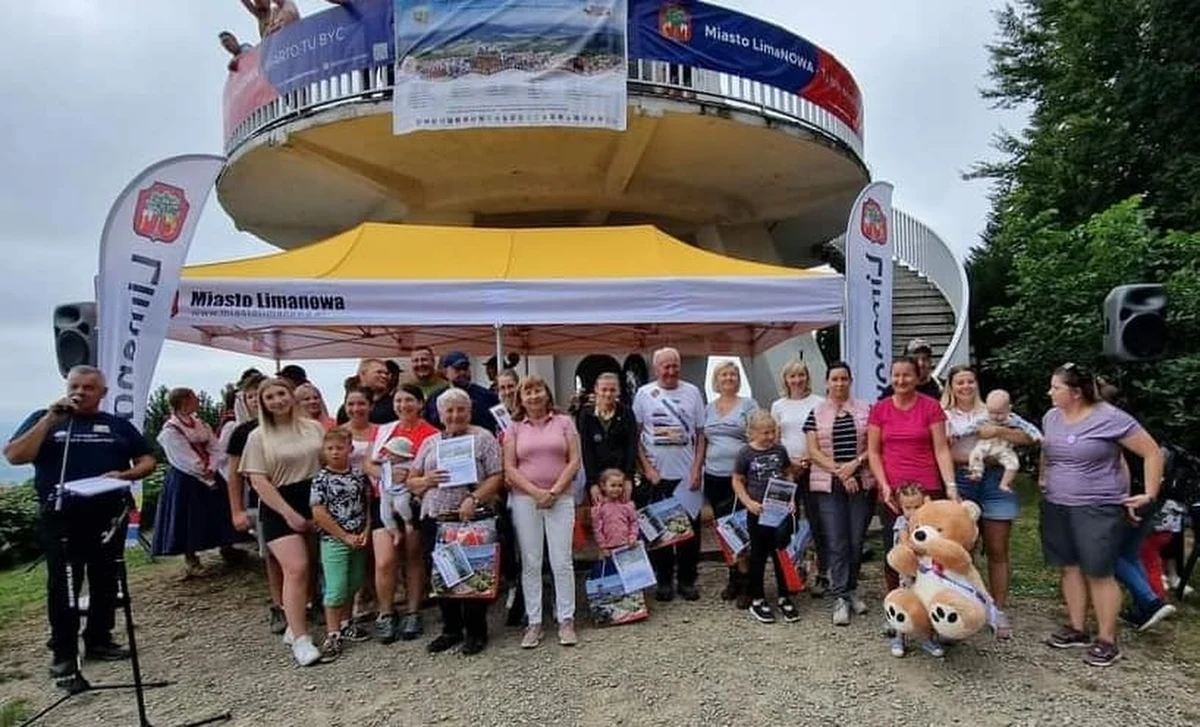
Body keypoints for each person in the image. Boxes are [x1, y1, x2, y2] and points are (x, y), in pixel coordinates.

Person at [4, 366, 156, 679]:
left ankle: (99, 639)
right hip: (62, 516)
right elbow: (15, 456)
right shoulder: (44, 419)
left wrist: (125, 475)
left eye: (89, 388)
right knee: (64, 584)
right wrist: (49, 421)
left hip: (107, 514)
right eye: (75, 386)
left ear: (103, 393)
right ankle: (63, 650)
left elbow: (147, 460)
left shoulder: (116, 425)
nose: (80, 392)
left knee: (105, 579)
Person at [1039, 363, 1164, 667]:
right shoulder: (1051, 417)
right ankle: (1077, 628)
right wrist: (1044, 477)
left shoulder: (1111, 418)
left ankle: (1107, 640)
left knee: (1099, 571)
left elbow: (1152, 452)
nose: (1050, 392)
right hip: (1057, 502)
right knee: (1069, 567)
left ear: (1076, 392)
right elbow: (1048, 452)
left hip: (1097, 505)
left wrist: (1149, 493)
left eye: (1056, 387)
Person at [941, 365, 1039, 637]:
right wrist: (981, 459)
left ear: (976, 384)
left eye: (970, 381)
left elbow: (1028, 436)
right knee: (964, 547)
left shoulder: (993, 409)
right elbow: (943, 452)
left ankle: (998, 609)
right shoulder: (944, 414)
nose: (966, 386)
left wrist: (997, 432)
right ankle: (967, 603)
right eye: (960, 382)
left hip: (996, 479)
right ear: (951, 386)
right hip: (964, 477)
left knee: (998, 548)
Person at [409, 388, 504, 655]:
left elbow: (497, 476)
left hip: (471, 517)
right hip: (436, 517)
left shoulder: (483, 438)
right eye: (449, 410)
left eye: (461, 409)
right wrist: (426, 480)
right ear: (440, 415)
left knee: (473, 572)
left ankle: (476, 631)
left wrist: (474, 498)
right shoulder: (430, 442)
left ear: (469, 411)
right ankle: (451, 629)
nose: (455, 415)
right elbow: (411, 480)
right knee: (443, 573)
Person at [239, 377, 325, 666]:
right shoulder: (257, 437)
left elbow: (326, 462)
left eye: (281, 394)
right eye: (270, 397)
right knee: (296, 567)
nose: (277, 401)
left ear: (291, 396)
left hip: (315, 499)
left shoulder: (313, 428)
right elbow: (258, 481)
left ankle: (295, 620)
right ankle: (301, 639)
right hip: (279, 505)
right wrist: (289, 514)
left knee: (312, 567)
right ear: (262, 404)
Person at [504, 375, 583, 648]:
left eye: (538, 390)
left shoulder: (564, 422)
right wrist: (535, 492)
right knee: (531, 561)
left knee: (562, 560)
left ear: (547, 393)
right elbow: (510, 467)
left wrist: (555, 491)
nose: (534, 396)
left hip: (560, 497)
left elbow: (574, 460)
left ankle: (566, 619)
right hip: (526, 499)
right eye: (528, 392)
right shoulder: (514, 427)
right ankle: (534, 621)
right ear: (521, 399)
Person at [867, 357, 957, 592]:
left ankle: (931, 597)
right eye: (896, 375)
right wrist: (884, 485)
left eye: (906, 375)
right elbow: (873, 452)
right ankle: (897, 600)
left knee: (930, 547)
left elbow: (941, 449)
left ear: (917, 378)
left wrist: (951, 486)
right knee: (895, 549)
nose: (901, 380)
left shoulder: (931, 406)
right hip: (893, 491)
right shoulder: (880, 409)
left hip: (927, 489)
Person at [364, 384, 440, 643]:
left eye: (409, 400)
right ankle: (386, 613)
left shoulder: (432, 434)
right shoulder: (384, 430)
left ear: (420, 403)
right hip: (384, 500)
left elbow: (434, 470)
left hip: (415, 501)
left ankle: (413, 611)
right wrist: (387, 475)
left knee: (413, 557)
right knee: (385, 560)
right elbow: (368, 464)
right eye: (398, 400)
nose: (403, 405)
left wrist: (411, 479)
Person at [632, 347, 706, 602]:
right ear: (656, 368)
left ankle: (687, 580)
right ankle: (664, 580)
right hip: (657, 475)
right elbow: (636, 436)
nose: (671, 371)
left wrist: (696, 468)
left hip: (686, 475)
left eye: (675, 365)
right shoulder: (644, 394)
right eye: (666, 366)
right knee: (659, 531)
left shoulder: (692, 392)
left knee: (690, 532)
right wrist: (647, 469)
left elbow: (701, 435)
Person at [804, 362, 874, 626]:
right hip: (829, 484)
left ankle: (851, 588)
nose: (839, 383)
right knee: (836, 540)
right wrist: (841, 472)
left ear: (850, 381)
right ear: (827, 382)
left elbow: (874, 445)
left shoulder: (867, 410)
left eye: (844, 378)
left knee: (856, 539)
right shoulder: (816, 412)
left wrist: (855, 464)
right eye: (834, 379)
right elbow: (813, 451)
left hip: (861, 481)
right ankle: (840, 596)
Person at [151, 387, 238, 577]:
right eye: (194, 398)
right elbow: (181, 456)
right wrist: (201, 469)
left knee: (220, 510)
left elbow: (215, 447)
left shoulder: (200, 424)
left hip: (210, 471)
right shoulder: (170, 430)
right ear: (184, 402)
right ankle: (191, 559)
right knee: (188, 517)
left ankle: (227, 547)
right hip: (186, 478)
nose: (198, 401)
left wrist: (212, 466)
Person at [224, 372, 286, 635]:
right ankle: (279, 605)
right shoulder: (242, 432)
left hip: (297, 496)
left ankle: (307, 600)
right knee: (272, 556)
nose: (255, 401)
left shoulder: (293, 425)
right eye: (251, 397)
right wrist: (236, 510)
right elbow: (234, 475)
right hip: (263, 501)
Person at [310, 429, 372, 661]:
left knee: (353, 581)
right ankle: (332, 633)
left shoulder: (358, 476)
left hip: (358, 537)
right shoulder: (321, 479)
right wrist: (343, 535)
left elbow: (366, 504)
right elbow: (318, 512)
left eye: (340, 448)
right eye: (330, 449)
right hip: (333, 540)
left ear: (350, 449)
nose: (335, 453)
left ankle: (346, 623)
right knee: (335, 587)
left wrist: (365, 530)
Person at [732, 410, 798, 624]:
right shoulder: (745, 453)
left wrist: (791, 496)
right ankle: (757, 597)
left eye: (772, 432)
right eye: (765, 433)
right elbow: (737, 480)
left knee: (781, 553)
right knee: (758, 555)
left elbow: (788, 472)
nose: (770, 437)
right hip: (758, 512)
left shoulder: (780, 450)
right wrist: (748, 503)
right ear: (752, 433)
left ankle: (784, 595)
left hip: (780, 511)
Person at [703, 361, 758, 602]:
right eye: (724, 374)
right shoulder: (708, 408)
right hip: (714, 476)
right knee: (724, 530)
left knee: (741, 529)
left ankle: (747, 582)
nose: (728, 378)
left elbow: (757, 437)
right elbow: (703, 440)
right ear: (716, 379)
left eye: (733, 374)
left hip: (740, 477)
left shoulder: (749, 405)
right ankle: (733, 575)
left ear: (738, 379)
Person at [770, 359, 825, 594]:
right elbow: (774, 439)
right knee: (785, 521)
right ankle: (789, 571)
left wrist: (809, 458)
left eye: (801, 375)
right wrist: (789, 464)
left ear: (807, 377)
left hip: (814, 467)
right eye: (792, 376)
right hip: (786, 471)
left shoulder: (819, 402)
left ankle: (821, 572)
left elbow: (822, 436)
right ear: (785, 379)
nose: (797, 380)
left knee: (816, 520)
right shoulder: (778, 405)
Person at [887, 484, 945, 658]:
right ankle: (899, 637)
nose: (912, 512)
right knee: (904, 602)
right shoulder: (902, 523)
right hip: (909, 572)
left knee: (927, 603)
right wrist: (926, 548)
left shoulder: (930, 523)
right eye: (908, 507)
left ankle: (927, 639)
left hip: (929, 573)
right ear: (900, 506)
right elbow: (906, 543)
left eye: (917, 507)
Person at [578, 372, 638, 500]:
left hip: (621, 480)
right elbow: (586, 449)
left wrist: (628, 478)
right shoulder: (586, 415)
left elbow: (632, 447)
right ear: (596, 389)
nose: (608, 394)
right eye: (604, 390)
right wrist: (592, 483)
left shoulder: (627, 413)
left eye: (612, 390)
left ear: (618, 391)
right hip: (598, 478)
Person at [966, 390, 1028, 493]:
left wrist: (1036, 435)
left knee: (1013, 463)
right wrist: (962, 432)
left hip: (1004, 448)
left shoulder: (1013, 420)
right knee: (975, 454)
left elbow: (1027, 428)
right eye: (992, 413)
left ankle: (1004, 483)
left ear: (1009, 409)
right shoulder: (983, 418)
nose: (995, 416)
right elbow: (971, 427)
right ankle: (976, 472)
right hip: (986, 445)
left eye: (1000, 413)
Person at [426, 351, 501, 434]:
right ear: (446, 372)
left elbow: (499, 425)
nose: (462, 373)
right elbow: (429, 425)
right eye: (457, 369)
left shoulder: (487, 396)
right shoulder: (435, 398)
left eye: (465, 368)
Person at [590, 468, 639, 571]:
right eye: (613, 485)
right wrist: (603, 546)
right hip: (609, 549)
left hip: (627, 545)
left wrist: (633, 537)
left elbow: (634, 522)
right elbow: (597, 529)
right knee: (611, 573)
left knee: (630, 572)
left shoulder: (627, 505)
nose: (616, 489)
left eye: (620, 485)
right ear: (603, 486)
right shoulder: (599, 508)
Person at [337, 358, 397, 425]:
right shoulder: (348, 408)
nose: (384, 376)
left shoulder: (395, 405)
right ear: (363, 374)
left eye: (386, 373)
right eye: (379, 372)